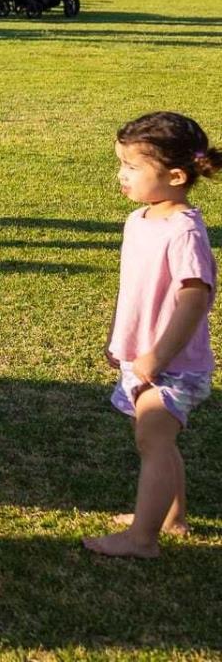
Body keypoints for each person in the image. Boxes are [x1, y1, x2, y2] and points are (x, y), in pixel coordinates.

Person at [85, 112, 216, 559]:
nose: (121, 174)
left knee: (152, 441)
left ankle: (143, 539)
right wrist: (117, 340)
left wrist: (155, 358)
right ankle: (171, 517)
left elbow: (193, 300)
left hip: (174, 366)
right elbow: (134, 289)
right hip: (144, 357)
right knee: (158, 440)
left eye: (133, 166)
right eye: (120, 163)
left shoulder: (184, 231)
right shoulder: (140, 220)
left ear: (176, 176)